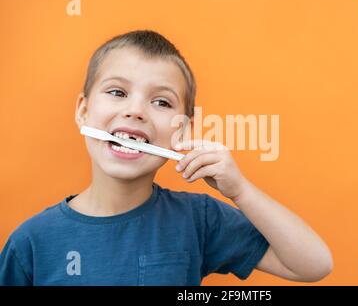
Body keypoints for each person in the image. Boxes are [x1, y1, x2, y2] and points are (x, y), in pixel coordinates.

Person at [0, 30, 333, 285]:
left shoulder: (199, 219)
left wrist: (241, 192)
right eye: (118, 92)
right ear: (84, 112)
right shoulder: (31, 243)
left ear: (181, 132)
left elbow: (314, 265)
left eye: (161, 102)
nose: (135, 111)